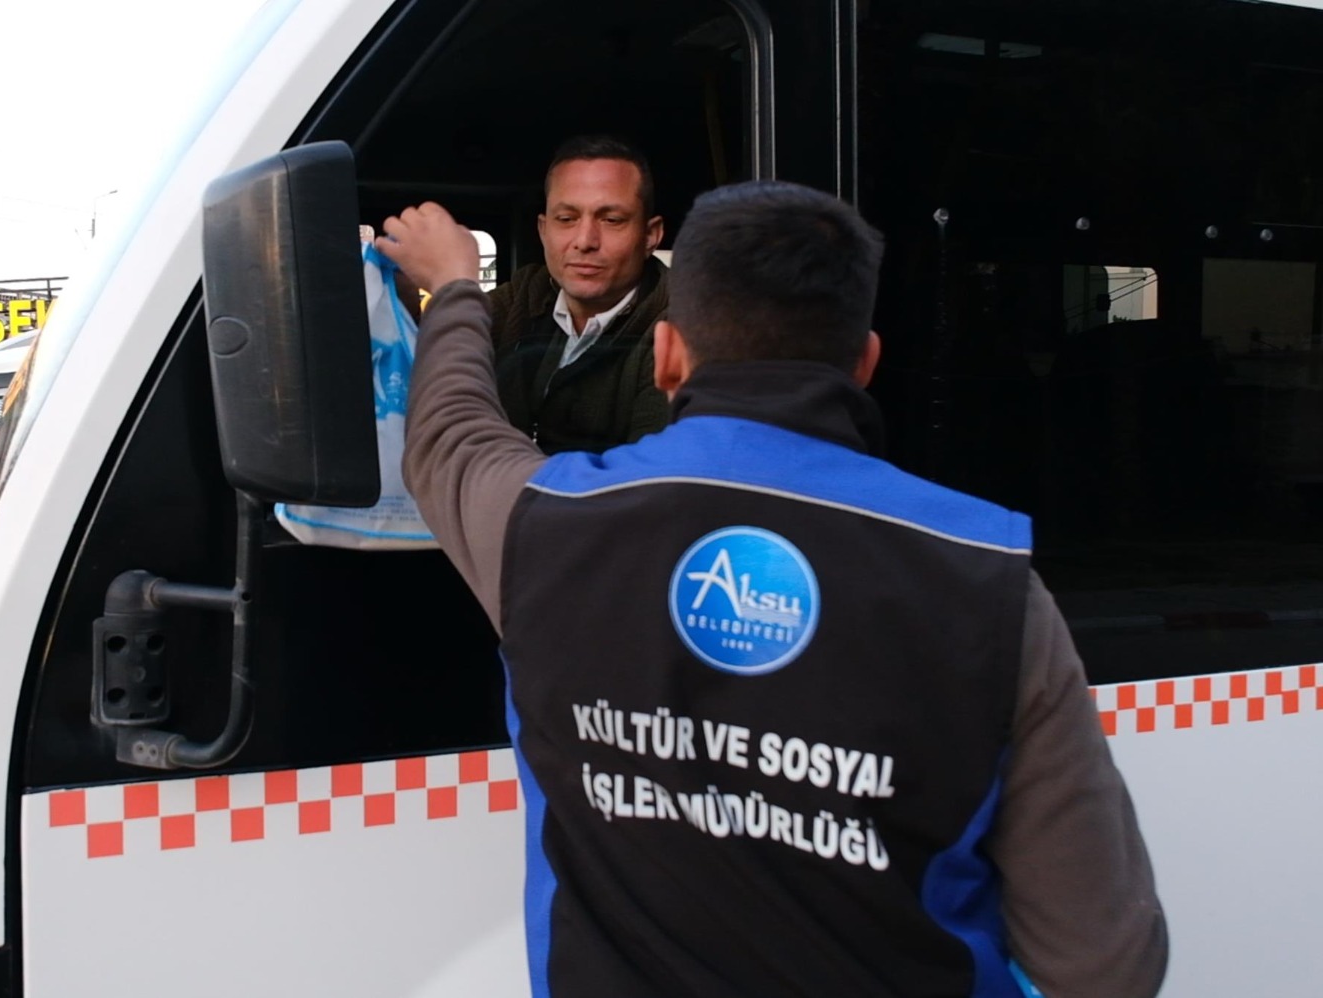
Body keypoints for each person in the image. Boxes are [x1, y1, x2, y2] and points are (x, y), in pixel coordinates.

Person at [376, 181, 1167, 997]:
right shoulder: (989, 583)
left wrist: (455, 288)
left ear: (666, 356)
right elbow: (1105, 967)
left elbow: (449, 436)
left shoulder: (543, 528)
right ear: (865, 363)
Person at [489, 135, 669, 453]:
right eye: (566, 219)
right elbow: (432, 348)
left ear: (650, 236)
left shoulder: (682, 331)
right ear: (543, 230)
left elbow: (650, 473)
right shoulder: (523, 295)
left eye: (611, 220)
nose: (585, 240)